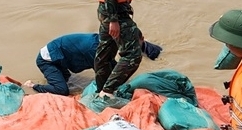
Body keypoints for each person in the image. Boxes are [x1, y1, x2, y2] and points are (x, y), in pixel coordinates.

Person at [23, 32, 162, 95]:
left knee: (67, 79)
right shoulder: (97, 51)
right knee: (62, 90)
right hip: (48, 60)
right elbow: (105, 79)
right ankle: (33, 85)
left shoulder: (110, 40)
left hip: (63, 57)